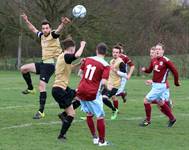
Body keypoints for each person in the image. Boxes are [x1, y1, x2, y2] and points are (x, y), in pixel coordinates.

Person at [20, 13, 71, 119]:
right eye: (43, 28)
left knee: (42, 86)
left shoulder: (53, 34)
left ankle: (41, 111)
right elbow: (33, 29)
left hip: (50, 65)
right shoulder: (42, 36)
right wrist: (26, 20)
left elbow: (58, 31)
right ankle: (30, 88)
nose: (45, 30)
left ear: (50, 28)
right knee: (23, 69)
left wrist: (63, 24)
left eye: (47, 28)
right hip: (43, 63)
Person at [76, 43, 110, 146]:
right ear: (106, 53)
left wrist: (86, 82)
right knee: (100, 116)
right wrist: (107, 89)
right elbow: (104, 83)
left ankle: (95, 138)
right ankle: (102, 141)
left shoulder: (87, 59)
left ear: (96, 50)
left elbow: (79, 74)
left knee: (89, 114)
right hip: (92, 92)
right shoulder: (105, 65)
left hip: (81, 90)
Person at [52, 38, 86, 141]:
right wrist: (82, 45)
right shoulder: (66, 56)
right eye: (74, 49)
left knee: (80, 98)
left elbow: (70, 67)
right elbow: (76, 55)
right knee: (72, 114)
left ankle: (63, 115)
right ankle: (61, 135)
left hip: (63, 88)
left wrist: (79, 64)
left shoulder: (63, 57)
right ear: (71, 49)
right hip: (59, 90)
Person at [140, 43, 180, 127]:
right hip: (155, 85)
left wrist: (176, 82)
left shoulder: (166, 60)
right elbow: (150, 70)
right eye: (156, 49)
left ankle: (148, 120)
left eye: (159, 49)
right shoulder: (154, 60)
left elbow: (175, 71)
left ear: (163, 51)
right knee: (160, 102)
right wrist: (145, 70)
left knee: (146, 101)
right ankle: (172, 119)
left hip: (161, 86)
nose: (157, 51)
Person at [102, 45, 127, 120]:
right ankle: (90, 115)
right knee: (98, 99)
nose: (115, 54)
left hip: (115, 86)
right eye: (114, 52)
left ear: (119, 54)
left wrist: (116, 70)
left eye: (117, 52)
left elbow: (125, 74)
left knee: (104, 98)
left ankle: (114, 110)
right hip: (108, 84)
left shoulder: (121, 62)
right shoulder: (111, 61)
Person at [112, 43, 135, 111]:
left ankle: (115, 110)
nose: (120, 50)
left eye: (120, 49)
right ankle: (122, 93)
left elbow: (132, 66)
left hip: (122, 78)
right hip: (115, 78)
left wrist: (129, 75)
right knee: (113, 94)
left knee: (114, 94)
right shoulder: (114, 58)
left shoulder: (124, 57)